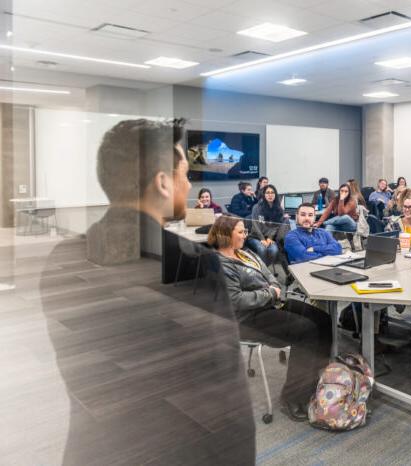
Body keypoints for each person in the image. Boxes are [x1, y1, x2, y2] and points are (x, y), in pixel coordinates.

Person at [41, 119, 255, 464]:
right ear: (163, 183)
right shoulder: (191, 267)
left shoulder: (62, 257)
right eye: (184, 173)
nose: (188, 184)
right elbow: (224, 403)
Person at [209, 215, 332, 422]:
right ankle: (292, 398)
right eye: (240, 232)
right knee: (306, 330)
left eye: (244, 231)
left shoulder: (246, 254)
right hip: (247, 318)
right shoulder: (222, 263)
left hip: (270, 303)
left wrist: (273, 289)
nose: (245, 235)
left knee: (323, 319)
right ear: (225, 235)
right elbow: (236, 300)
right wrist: (270, 293)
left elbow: (271, 276)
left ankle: (317, 378)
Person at [248, 184, 286, 266]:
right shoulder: (257, 207)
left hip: (269, 238)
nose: (270, 195)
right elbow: (255, 225)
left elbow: (276, 226)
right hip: (255, 237)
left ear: (275, 195)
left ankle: (265, 269)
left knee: (274, 250)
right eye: (267, 193)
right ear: (264, 195)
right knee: (262, 249)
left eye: (272, 192)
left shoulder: (279, 209)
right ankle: (262, 271)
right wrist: (262, 239)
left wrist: (269, 238)